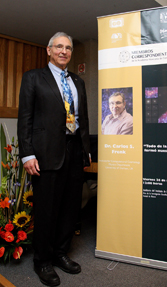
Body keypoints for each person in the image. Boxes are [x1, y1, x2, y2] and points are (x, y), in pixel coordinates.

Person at [17, 32, 91, 287]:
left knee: (71, 208)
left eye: (68, 48)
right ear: (49, 50)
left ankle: (61, 253)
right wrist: (27, 153)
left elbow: (83, 119)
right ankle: (43, 261)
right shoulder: (33, 78)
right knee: (47, 209)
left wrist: (86, 150)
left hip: (74, 152)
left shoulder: (78, 81)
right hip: (46, 153)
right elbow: (25, 118)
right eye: (58, 47)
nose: (64, 51)